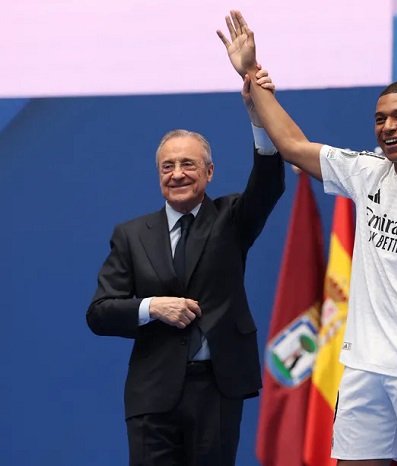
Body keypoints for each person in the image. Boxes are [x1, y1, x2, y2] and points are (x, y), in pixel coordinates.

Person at [217, 11, 397, 466]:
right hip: (364, 368)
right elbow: (294, 145)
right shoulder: (366, 172)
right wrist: (252, 75)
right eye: (379, 119)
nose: (388, 127)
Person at [86, 69, 284, 466]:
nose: (177, 173)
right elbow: (100, 313)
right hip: (152, 394)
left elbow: (268, 181)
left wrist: (258, 115)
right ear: (158, 175)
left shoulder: (232, 218)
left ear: (209, 172)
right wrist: (151, 307)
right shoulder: (130, 235)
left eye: (188, 164)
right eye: (167, 166)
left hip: (217, 387)